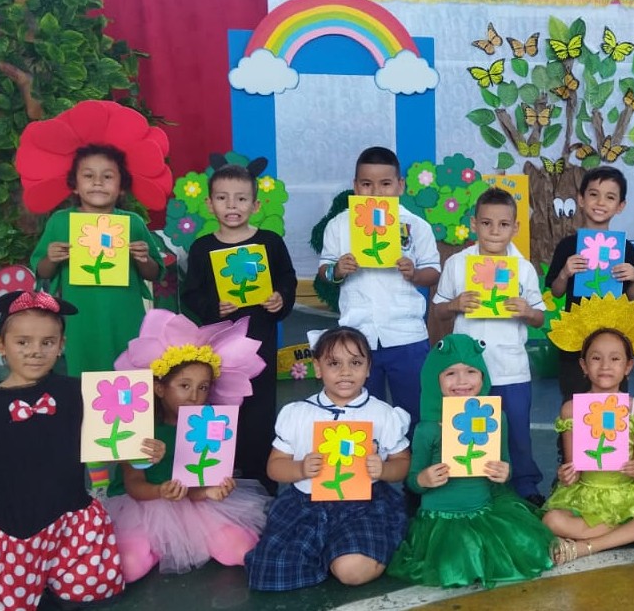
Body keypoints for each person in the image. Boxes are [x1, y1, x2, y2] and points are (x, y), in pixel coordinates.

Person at [0, 291, 162, 610]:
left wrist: (142, 450)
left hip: (75, 518)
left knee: (93, 594)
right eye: (23, 342)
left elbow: (107, 443)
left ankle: (47, 584)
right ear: (1, 346)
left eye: (47, 342)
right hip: (17, 526)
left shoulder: (79, 392)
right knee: (4, 605)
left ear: (61, 345)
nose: (35, 351)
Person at [106, 310, 270, 581]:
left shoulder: (209, 426)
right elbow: (134, 485)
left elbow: (196, 489)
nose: (195, 396)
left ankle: (182, 541)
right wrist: (161, 490)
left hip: (192, 505)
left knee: (241, 551)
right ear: (160, 388)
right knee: (129, 566)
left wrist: (211, 492)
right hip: (145, 503)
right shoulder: (138, 426)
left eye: (204, 387)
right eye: (184, 385)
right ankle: (156, 544)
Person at [245, 327, 412, 591]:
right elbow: (275, 466)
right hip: (306, 506)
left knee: (352, 573)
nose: (345, 372)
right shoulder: (298, 413)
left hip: (363, 506)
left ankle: (348, 552)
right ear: (318, 368)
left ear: (368, 368)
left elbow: (402, 463)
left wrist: (383, 470)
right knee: (271, 572)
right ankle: (332, 550)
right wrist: (299, 468)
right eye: (334, 363)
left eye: (355, 363)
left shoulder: (383, 414)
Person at [388, 335, 560, 587]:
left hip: (484, 510)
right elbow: (413, 481)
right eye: (450, 374)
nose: (462, 381)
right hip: (441, 519)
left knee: (515, 549)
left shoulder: (495, 418)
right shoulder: (427, 429)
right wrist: (423, 479)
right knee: (453, 561)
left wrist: (504, 472)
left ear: (483, 378)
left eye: (471, 371)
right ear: (435, 379)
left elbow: (505, 465)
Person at [180, 164, 297, 490]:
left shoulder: (270, 243)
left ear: (255, 205)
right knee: (220, 405)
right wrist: (212, 307)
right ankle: (217, 476)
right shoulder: (202, 248)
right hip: (220, 344)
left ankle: (262, 477)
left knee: (260, 407)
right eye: (223, 198)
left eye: (241, 199)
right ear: (209, 204)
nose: (232, 206)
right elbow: (191, 292)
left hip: (260, 342)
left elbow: (286, 280)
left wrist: (280, 299)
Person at [541, 297, 634, 560]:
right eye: (596, 358)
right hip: (587, 496)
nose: (605, 366)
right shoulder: (571, 410)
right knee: (552, 520)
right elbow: (572, 466)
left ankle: (586, 546)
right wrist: (567, 475)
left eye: (615, 359)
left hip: (630, 495)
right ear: (584, 366)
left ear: (628, 366)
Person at [434, 187, 546, 502]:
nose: (494, 231)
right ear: (473, 224)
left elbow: (540, 318)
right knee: (468, 429)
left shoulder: (523, 269)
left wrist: (527, 311)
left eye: (503, 224)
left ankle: (525, 485)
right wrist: (455, 303)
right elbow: (439, 309)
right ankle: (472, 486)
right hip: (465, 373)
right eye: (486, 223)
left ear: (516, 227)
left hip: (510, 369)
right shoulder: (457, 264)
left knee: (518, 432)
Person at [319, 146, 440, 428]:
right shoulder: (339, 225)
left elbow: (433, 273)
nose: (376, 191)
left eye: (385, 184)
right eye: (366, 184)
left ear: (400, 186)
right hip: (356, 337)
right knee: (361, 413)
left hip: (407, 336)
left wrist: (415, 274)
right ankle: (372, 472)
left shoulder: (416, 225)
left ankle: (414, 471)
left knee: (413, 411)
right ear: (355, 187)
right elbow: (324, 271)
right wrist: (337, 270)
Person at [31, 144, 164, 377]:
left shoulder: (133, 223)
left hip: (125, 316)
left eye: (108, 176)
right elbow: (43, 270)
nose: (98, 182)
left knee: (129, 373)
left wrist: (143, 259)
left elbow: (154, 273)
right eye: (88, 175)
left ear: (121, 187)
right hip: (82, 317)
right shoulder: (60, 222)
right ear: (75, 185)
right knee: (85, 374)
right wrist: (50, 258)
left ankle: (134, 414)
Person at [545, 166, 634, 402]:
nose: (600, 202)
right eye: (593, 194)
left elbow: (631, 299)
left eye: (610, 197)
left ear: (620, 206)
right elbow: (556, 292)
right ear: (580, 199)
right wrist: (565, 273)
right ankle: (570, 440)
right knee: (573, 403)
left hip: (612, 340)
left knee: (612, 404)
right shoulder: (568, 246)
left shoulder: (625, 248)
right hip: (574, 341)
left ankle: (610, 441)